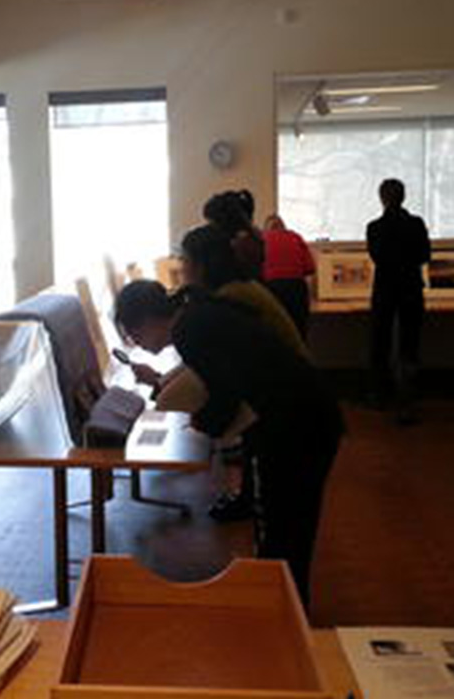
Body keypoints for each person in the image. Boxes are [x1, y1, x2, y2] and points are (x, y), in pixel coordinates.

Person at [114, 280, 344, 606]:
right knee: (289, 527)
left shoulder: (190, 330)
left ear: (147, 319)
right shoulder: (196, 316)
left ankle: (285, 613)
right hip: (304, 415)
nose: (135, 342)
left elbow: (223, 396)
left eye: (132, 334)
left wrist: (201, 424)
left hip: (296, 422)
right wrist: (167, 390)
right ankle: (286, 608)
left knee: (284, 531)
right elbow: (214, 378)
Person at [142, 224, 307, 522]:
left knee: (277, 505)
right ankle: (247, 502)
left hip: (287, 395)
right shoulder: (230, 291)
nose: (181, 270)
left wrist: (205, 423)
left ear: (203, 265)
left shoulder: (230, 295)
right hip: (281, 390)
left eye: (185, 262)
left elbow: (222, 380)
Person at [365, 179, 431, 421]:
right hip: (411, 286)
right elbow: (425, 254)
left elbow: (376, 257)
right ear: (404, 197)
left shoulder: (374, 227)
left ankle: (379, 394)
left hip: (384, 288)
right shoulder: (416, 224)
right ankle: (408, 399)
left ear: (382, 198)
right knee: (410, 342)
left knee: (379, 340)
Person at [262, 214, 316, 339]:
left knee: (273, 334)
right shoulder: (295, 237)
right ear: (283, 226)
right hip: (296, 289)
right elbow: (310, 267)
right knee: (298, 333)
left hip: (271, 290)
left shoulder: (262, 238)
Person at [203, 190, 265, 281]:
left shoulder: (241, 243)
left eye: (211, 222)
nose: (209, 227)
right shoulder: (250, 235)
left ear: (223, 221)